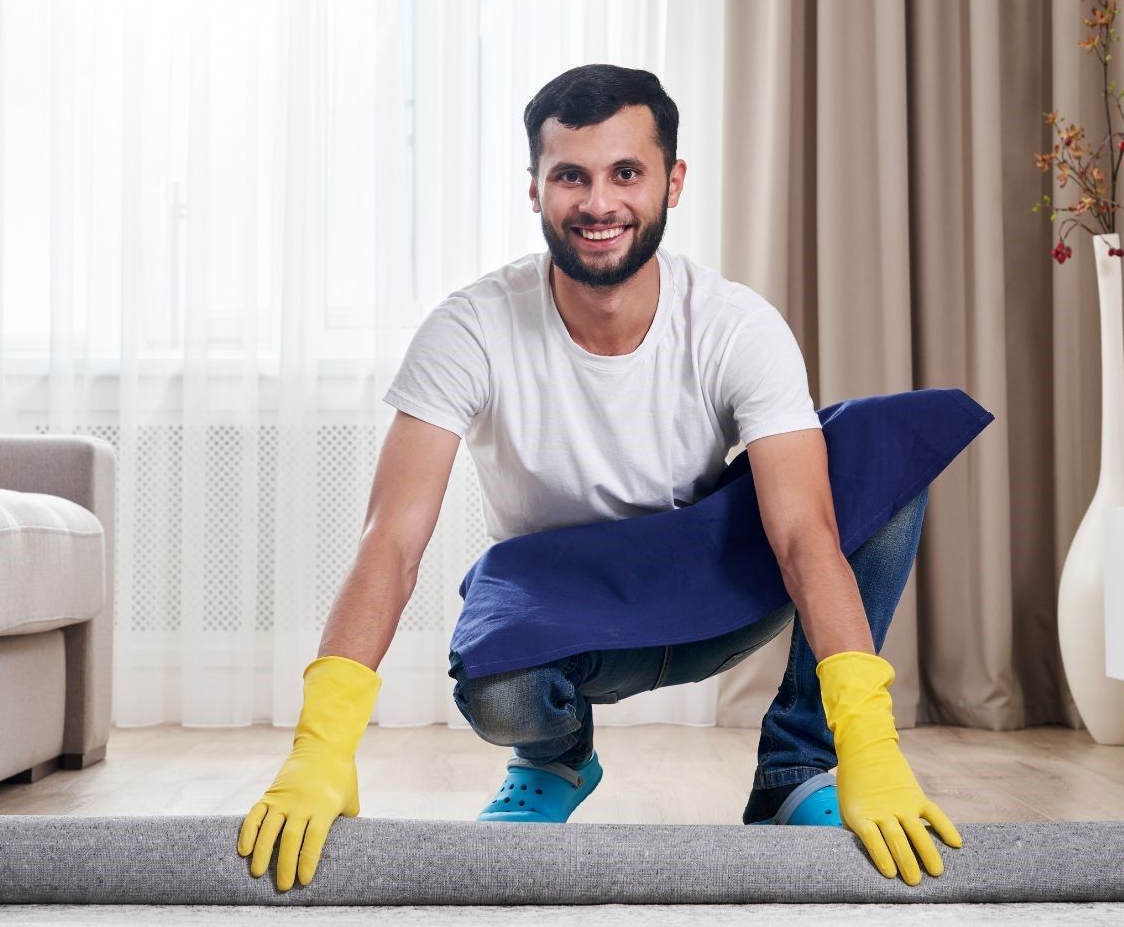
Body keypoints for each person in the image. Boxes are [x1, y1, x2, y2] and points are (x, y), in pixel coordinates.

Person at [236, 64, 962, 893]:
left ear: (672, 182)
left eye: (627, 173)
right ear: (536, 189)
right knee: (498, 688)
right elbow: (392, 540)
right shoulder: (470, 328)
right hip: (564, 608)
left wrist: (869, 739)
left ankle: (799, 769)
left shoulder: (734, 324)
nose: (598, 203)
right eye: (570, 176)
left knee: (885, 454)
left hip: (713, 578)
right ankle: (556, 760)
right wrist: (320, 748)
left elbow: (802, 535)